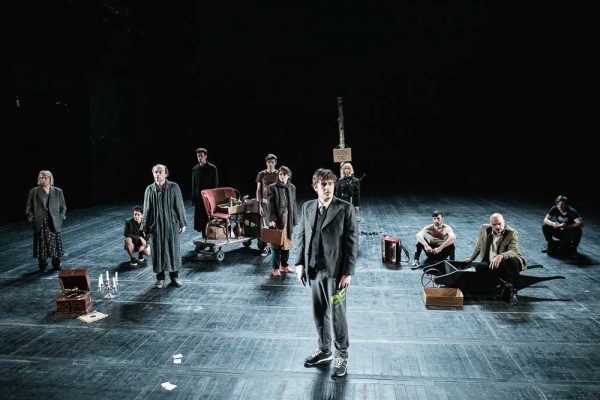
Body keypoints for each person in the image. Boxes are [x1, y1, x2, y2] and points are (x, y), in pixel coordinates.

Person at [295, 168, 358, 378]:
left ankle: (342, 355)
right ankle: (324, 350)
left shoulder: (345, 208)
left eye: (331, 184)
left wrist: (348, 272)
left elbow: (352, 243)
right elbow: (302, 236)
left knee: (338, 316)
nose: (328, 188)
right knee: (319, 312)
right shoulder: (307, 207)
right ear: (316, 187)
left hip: (336, 274)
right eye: (324, 185)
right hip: (314, 270)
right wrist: (299, 264)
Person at [463, 213, 526, 305]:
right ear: (490, 224)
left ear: (504, 222)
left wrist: (500, 256)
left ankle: (513, 291)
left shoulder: (512, 233)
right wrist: (471, 258)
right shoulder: (484, 228)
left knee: (509, 261)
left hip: (508, 260)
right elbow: (479, 244)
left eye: (500, 224)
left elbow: (513, 251)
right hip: (492, 261)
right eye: (494, 225)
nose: (497, 227)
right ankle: (498, 286)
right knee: (480, 267)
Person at [142, 164, 187, 289]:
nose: (157, 174)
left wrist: (182, 222)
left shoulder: (174, 187)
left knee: (173, 250)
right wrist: (144, 227)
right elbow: (146, 209)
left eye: (160, 172)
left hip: (171, 224)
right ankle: (160, 278)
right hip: (155, 226)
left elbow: (179, 205)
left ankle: (174, 277)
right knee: (157, 251)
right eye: (155, 172)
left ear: (166, 174)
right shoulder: (149, 189)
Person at [25, 170, 66, 271]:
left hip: (53, 221)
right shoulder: (34, 191)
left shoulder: (57, 191)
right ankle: (42, 265)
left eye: (45, 177)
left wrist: (61, 218)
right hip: (40, 221)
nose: (43, 179)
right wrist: (32, 218)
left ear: (50, 179)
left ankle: (56, 264)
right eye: (41, 178)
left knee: (55, 243)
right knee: (41, 244)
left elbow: (63, 206)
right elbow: (28, 208)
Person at [267, 166, 298, 276]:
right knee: (276, 244)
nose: (282, 176)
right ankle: (275, 268)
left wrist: (294, 219)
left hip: (288, 218)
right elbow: (270, 205)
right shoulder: (272, 187)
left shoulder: (292, 187)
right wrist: (272, 219)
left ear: (288, 176)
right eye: (280, 174)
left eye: (284, 174)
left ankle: (284, 266)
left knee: (287, 243)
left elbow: (293, 203)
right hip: (278, 218)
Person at [191, 148, 219, 238]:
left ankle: (211, 236)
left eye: (201, 156)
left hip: (208, 197)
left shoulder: (212, 168)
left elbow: (215, 185)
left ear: (206, 156)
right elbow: (194, 185)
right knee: (201, 218)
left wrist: (213, 199)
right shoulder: (195, 169)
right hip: (199, 197)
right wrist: (193, 198)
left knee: (209, 216)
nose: (199, 158)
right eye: (198, 156)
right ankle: (204, 236)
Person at [256, 153, 279, 256]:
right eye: (269, 162)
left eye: (272, 162)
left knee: (276, 225)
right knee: (265, 226)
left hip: (276, 203)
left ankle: (275, 247)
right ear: (266, 163)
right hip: (265, 203)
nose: (270, 164)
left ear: (275, 163)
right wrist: (259, 205)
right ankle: (267, 247)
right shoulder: (261, 174)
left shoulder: (279, 174)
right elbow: (258, 190)